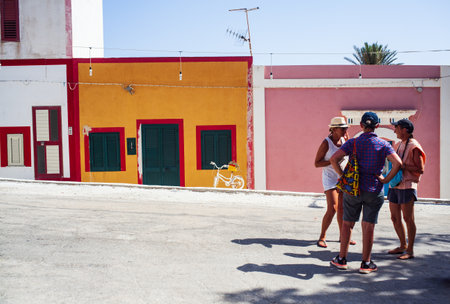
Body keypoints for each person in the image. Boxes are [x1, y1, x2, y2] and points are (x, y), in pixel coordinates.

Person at [329, 112, 402, 274]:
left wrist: (343, 176)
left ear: (361, 125)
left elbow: (334, 159)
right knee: (368, 226)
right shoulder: (383, 145)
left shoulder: (353, 143)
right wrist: (385, 180)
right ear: (377, 126)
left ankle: (341, 259)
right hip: (374, 189)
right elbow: (398, 163)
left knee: (347, 224)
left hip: (353, 189)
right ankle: (366, 263)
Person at [386, 119, 425, 260]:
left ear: (404, 129)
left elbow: (420, 169)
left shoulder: (414, 146)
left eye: (397, 127)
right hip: (396, 185)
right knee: (394, 217)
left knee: (408, 218)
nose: (394, 130)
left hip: (407, 186)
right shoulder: (400, 144)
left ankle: (410, 250)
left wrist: (402, 166)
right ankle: (402, 245)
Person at [314, 117, 356, 248]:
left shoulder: (345, 140)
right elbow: (317, 163)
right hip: (330, 178)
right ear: (334, 129)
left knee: (342, 209)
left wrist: (348, 142)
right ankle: (322, 236)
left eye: (346, 128)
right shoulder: (326, 143)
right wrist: (334, 160)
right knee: (332, 208)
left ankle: (343, 236)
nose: (345, 130)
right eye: (342, 128)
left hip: (342, 176)